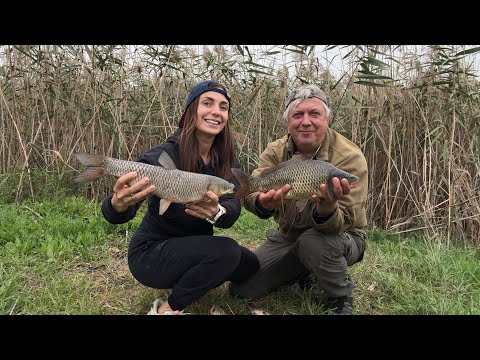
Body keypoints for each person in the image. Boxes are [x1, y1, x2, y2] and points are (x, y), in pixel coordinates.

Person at [101, 80, 260, 315]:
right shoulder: (163, 155)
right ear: (191, 111)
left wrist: (218, 212)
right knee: (227, 251)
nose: (216, 111)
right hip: (151, 253)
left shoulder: (227, 162)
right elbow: (118, 214)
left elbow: (231, 207)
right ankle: (167, 309)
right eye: (208, 103)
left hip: (194, 247)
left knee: (250, 264)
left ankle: (193, 276)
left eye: (223, 107)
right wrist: (117, 205)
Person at [229, 84, 368, 315]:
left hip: (341, 238)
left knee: (313, 243)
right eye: (298, 115)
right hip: (288, 235)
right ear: (288, 121)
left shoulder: (349, 157)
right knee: (241, 288)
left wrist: (327, 208)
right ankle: (302, 270)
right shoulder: (275, 151)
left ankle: (340, 296)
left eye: (314, 114)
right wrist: (264, 203)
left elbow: (346, 222)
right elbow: (252, 192)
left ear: (327, 118)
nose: (306, 122)